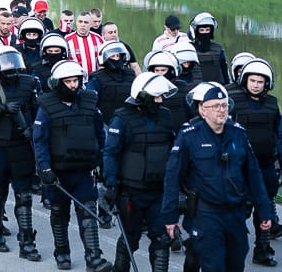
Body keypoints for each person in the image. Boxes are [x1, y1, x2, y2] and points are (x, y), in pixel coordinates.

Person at [161, 82, 273, 272]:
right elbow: (172, 177)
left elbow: (253, 175)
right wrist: (170, 215)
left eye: (224, 105)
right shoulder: (189, 137)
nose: (221, 110)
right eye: (215, 106)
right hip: (207, 215)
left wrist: (264, 211)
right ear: (202, 110)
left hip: (236, 215)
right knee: (214, 266)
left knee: (236, 263)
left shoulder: (238, 134)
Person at [34, 60, 113, 272]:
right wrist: (45, 169)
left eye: (75, 80)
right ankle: (62, 254)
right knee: (60, 215)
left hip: (84, 170)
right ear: (58, 83)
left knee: (88, 213)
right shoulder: (46, 106)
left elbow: (99, 132)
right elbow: (39, 140)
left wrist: (102, 160)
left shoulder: (89, 101)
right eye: (68, 81)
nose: (72, 85)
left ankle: (94, 259)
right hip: (58, 173)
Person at [102, 72, 178, 272]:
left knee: (162, 239)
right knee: (130, 238)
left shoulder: (166, 116)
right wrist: (110, 184)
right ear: (143, 97)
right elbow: (111, 153)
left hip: (158, 191)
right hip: (131, 193)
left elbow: (175, 150)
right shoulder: (122, 119)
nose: (160, 101)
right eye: (156, 97)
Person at [0, 43, 41, 260]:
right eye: (6, 63)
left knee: (24, 196)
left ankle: (27, 242)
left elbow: (39, 113)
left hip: (22, 146)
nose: (10, 67)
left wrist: (32, 129)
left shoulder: (30, 83)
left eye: (14, 62)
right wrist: (0, 110)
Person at [227, 58, 282, 265]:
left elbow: (279, 133)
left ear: (267, 83)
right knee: (239, 210)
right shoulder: (233, 103)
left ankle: (263, 249)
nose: (256, 85)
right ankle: (233, 248)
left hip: (266, 165)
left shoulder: (272, 104)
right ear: (244, 80)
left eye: (260, 81)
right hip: (239, 167)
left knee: (265, 208)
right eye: (252, 81)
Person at [86, 40, 137, 125]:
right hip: (106, 123)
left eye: (118, 55)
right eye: (113, 56)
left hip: (130, 122)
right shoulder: (96, 79)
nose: (117, 59)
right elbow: (89, 104)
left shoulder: (131, 75)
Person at [188, 12, 230, 85]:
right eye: (202, 30)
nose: (205, 33)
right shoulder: (189, 49)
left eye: (207, 30)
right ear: (196, 31)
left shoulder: (219, 49)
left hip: (216, 88)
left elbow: (225, 73)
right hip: (196, 89)